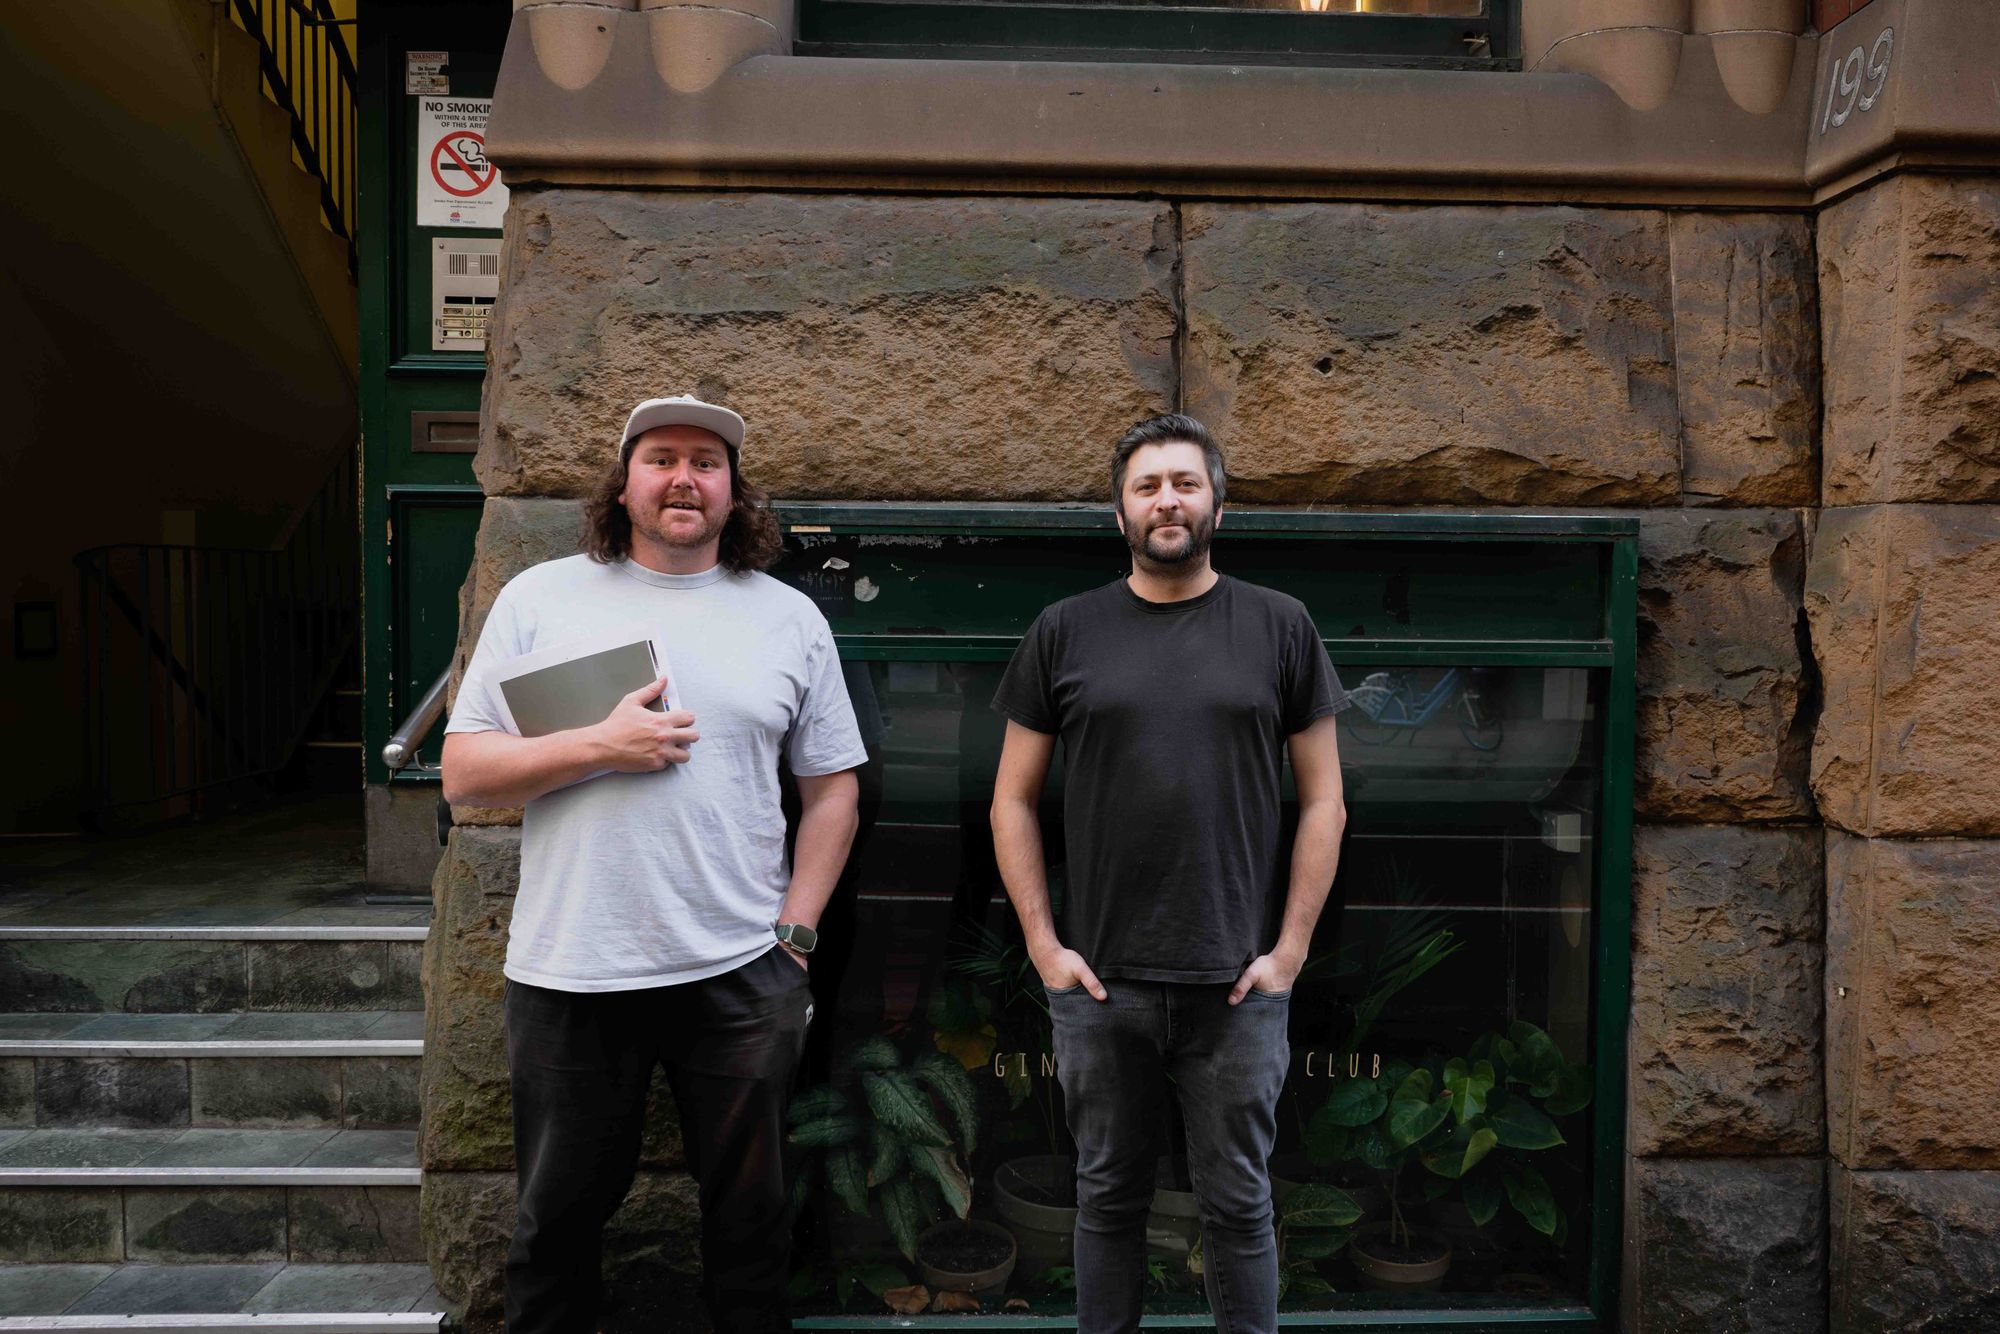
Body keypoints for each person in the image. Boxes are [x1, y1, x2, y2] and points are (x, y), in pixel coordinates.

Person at [441, 395, 867, 1334]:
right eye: (662, 458)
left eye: (707, 463)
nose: (684, 478)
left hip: (739, 972)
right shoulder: (541, 596)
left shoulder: (787, 617)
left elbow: (832, 790)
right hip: (572, 971)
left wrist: (794, 935)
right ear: (624, 482)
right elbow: (464, 774)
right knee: (554, 1227)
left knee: (753, 1228)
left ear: (732, 492)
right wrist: (600, 744)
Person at [988, 413, 1350, 1334]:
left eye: (1185, 483)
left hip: (1238, 985)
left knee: (1239, 1208)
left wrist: (1290, 954)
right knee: (1106, 1201)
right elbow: (1011, 801)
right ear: (1120, 514)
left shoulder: (1281, 626)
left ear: (1217, 504)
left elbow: (1325, 802)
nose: (1167, 501)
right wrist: (1045, 949)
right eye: (1147, 486)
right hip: (1101, 984)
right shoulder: (1063, 631)